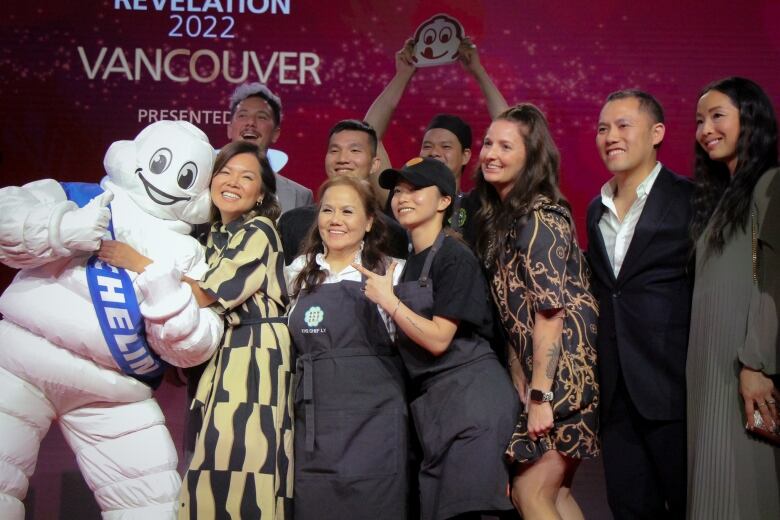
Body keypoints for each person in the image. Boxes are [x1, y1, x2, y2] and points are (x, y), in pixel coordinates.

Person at [99, 140, 294, 518]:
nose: (233, 181)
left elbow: (206, 293)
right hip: (222, 355)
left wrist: (137, 261)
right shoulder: (213, 237)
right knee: (210, 464)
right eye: (225, 172)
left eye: (247, 176)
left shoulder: (260, 231)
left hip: (254, 358)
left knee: (242, 465)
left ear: (261, 194)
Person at [358, 156, 519, 519]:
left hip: (472, 402)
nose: (402, 197)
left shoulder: (455, 257)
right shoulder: (407, 263)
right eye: (398, 190)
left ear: (445, 201)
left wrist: (388, 300)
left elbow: (438, 339)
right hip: (435, 411)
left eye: (415, 190)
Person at [473, 104, 600, 519]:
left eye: (506, 146)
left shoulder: (540, 216)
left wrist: (542, 395)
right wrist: (520, 377)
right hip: (543, 374)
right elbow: (516, 315)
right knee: (556, 492)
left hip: (564, 372)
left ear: (531, 157)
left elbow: (550, 312)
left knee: (530, 491)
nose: (491, 153)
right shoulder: (506, 219)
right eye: (488, 143)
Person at [587, 90, 694, 519]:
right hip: (616, 396)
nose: (610, 136)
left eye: (622, 125)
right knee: (630, 509)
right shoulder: (596, 209)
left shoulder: (690, 199)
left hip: (675, 388)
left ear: (657, 133)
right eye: (602, 128)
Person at [284, 176, 409, 519]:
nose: (335, 219)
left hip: (376, 423)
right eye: (328, 209)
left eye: (347, 211)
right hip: (315, 424)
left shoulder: (393, 274)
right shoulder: (297, 273)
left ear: (369, 221)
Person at [687, 76, 780, 519]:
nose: (706, 129)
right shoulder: (722, 201)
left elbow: (772, 280)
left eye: (718, 116)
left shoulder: (771, 184)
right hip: (708, 370)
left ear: (752, 119)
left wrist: (755, 363)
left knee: (743, 489)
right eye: (700, 120)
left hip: (744, 372)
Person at [364, 37, 508, 241]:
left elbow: (512, 134)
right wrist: (402, 75)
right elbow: (368, 136)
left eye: (446, 146)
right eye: (427, 146)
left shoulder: (477, 204)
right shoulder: (402, 202)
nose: (434, 152)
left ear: (466, 155)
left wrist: (479, 72)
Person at [278, 119, 408, 264]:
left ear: (374, 164)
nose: (343, 159)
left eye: (354, 150)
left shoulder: (393, 233)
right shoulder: (292, 222)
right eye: (334, 150)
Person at [227, 82, 313, 214]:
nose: (251, 123)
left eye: (261, 117)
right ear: (230, 129)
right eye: (243, 115)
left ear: (275, 134)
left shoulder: (300, 197)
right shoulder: (203, 185)